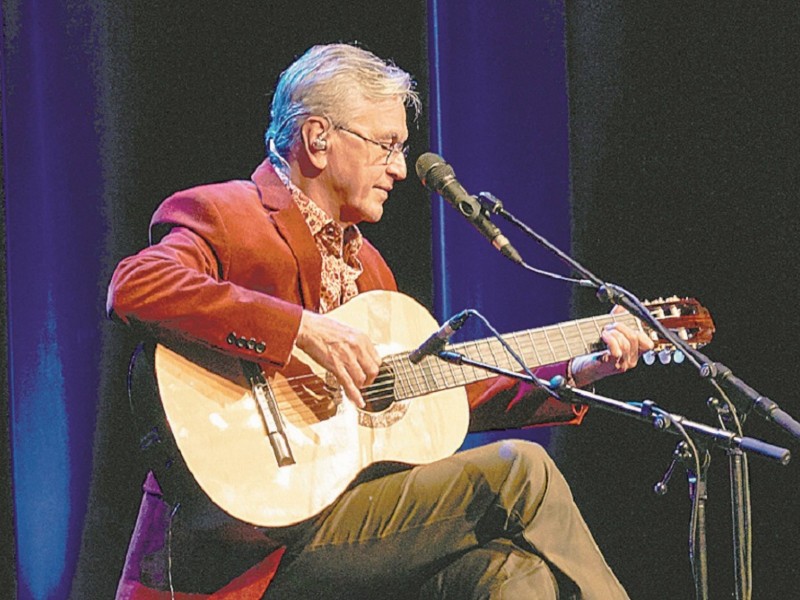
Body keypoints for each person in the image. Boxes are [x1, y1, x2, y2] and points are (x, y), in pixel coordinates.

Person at [108, 43, 653, 600]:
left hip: (347, 524)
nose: (398, 167)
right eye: (386, 145)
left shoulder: (371, 269)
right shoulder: (229, 213)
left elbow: (438, 396)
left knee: (515, 573)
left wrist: (579, 371)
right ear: (319, 139)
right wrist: (300, 330)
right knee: (522, 470)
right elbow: (137, 285)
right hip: (242, 540)